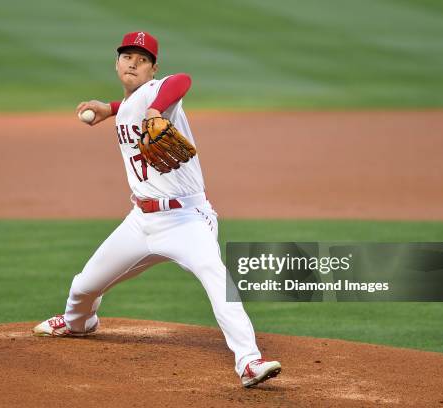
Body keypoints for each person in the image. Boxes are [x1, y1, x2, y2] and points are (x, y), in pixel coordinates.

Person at [33, 31, 281, 388]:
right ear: (116, 63)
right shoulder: (126, 109)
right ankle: (78, 323)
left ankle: (248, 361)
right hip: (140, 222)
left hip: (186, 219)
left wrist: (154, 109)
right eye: (127, 57)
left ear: (153, 70)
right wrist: (109, 108)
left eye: (143, 59)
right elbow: (129, 107)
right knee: (84, 286)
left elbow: (182, 81)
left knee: (215, 276)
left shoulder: (157, 94)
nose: (133, 62)